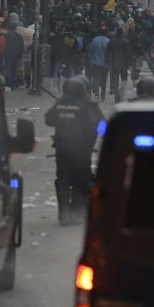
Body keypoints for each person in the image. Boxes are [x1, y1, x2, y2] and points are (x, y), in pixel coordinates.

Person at [44, 77, 104, 226]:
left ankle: (64, 213)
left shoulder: (61, 103)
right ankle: (76, 211)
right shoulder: (88, 104)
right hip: (82, 150)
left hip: (62, 149)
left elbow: (49, 119)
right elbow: (100, 124)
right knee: (82, 180)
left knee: (62, 179)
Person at [105, 27, 132, 103]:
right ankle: (121, 93)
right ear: (122, 33)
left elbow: (107, 52)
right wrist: (130, 63)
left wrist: (106, 61)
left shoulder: (111, 41)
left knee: (115, 81)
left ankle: (116, 96)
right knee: (124, 79)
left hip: (114, 63)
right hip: (123, 63)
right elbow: (128, 53)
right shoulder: (125, 42)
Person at [86, 29, 110, 100]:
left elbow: (90, 52)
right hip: (105, 64)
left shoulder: (95, 40)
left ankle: (96, 94)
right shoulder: (108, 41)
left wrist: (89, 62)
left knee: (96, 79)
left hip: (95, 63)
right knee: (104, 80)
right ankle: (103, 95)